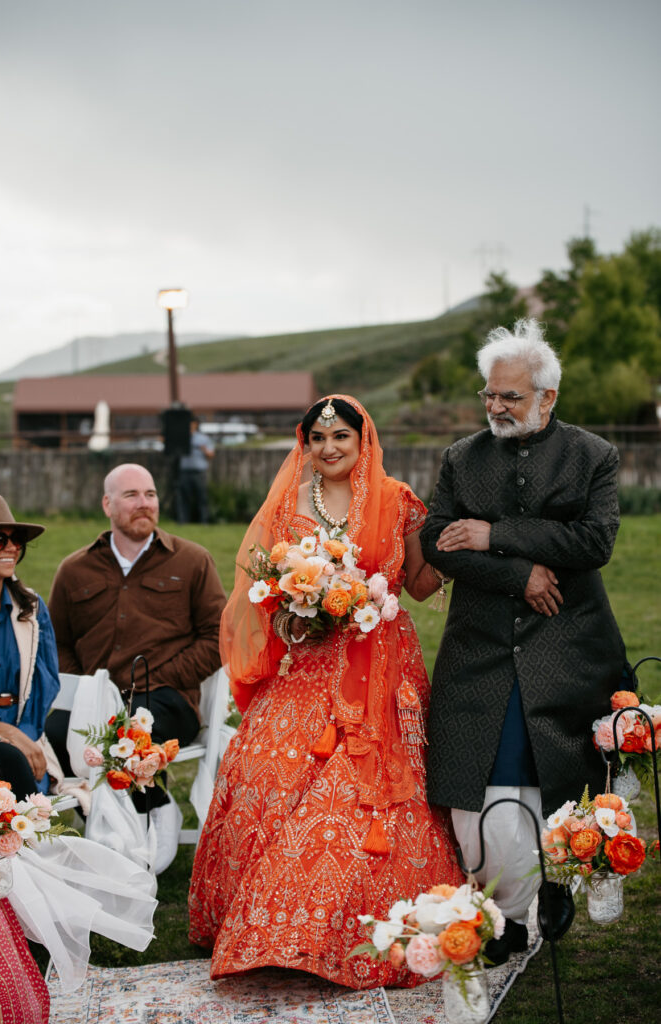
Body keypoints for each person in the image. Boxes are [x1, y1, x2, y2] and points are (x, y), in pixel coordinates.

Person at [189, 395, 463, 989]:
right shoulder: (288, 506)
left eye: (342, 436)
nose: (330, 448)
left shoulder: (396, 501)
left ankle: (352, 930)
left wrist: (446, 546)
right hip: (310, 663)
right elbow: (266, 591)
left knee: (363, 791)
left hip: (383, 664)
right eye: (319, 438)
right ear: (305, 445)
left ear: (364, 441)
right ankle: (264, 923)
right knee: (264, 766)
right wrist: (295, 608)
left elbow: (417, 586)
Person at [420, 319, 631, 965]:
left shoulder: (593, 455)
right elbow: (436, 543)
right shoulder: (461, 458)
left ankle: (558, 884)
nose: (496, 408)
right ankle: (506, 913)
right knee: (480, 791)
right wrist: (520, 572)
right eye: (490, 395)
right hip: (479, 649)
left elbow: (594, 543)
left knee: (560, 780)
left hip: (569, 645)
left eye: (510, 397)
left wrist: (496, 534)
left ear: (548, 398)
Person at [45, 462, 227, 870]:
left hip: (166, 699)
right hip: (93, 701)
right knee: (54, 732)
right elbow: (56, 642)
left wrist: (165, 677)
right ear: (107, 504)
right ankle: (123, 817)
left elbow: (219, 637)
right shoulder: (75, 570)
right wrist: (86, 686)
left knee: (127, 732)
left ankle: (146, 817)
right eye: (131, 495)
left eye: (150, 494)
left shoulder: (192, 561)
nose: (143, 503)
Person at [0, 495, 60, 799]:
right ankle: (30, 844)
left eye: (17, 540)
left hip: (24, 732)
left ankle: (23, 842)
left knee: (14, 761)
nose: (11, 547)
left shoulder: (32, 609)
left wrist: (21, 734)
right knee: (8, 761)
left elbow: (46, 683)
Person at [175, 414, 214, 524]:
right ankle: (183, 521)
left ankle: (204, 521)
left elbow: (211, 454)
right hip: (184, 472)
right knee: (183, 498)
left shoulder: (203, 438)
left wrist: (203, 449)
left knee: (202, 498)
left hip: (199, 473)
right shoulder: (181, 438)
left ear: (195, 424)